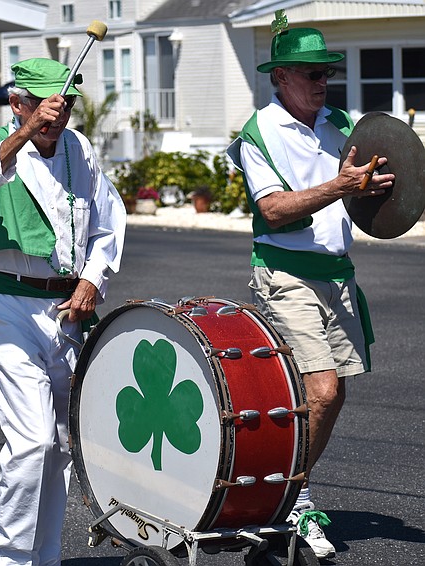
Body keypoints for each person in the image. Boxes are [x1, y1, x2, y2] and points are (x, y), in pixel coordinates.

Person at [228, 19, 394, 560]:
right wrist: (339, 185)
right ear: (280, 77)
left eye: (327, 72)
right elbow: (272, 211)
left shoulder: (340, 123)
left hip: (338, 276)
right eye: (311, 73)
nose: (323, 81)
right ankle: (292, 500)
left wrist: (375, 188)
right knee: (320, 391)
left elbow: (360, 196)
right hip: (285, 275)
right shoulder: (259, 132)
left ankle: (282, 493)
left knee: (329, 394)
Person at [0, 58, 126, 566]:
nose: (58, 115)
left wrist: (94, 278)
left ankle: (44, 558)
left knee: (59, 444)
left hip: (66, 308)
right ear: (17, 104)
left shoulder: (80, 149)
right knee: (31, 441)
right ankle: (10, 559)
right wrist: (25, 133)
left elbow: (107, 222)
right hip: (7, 304)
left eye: (66, 105)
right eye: (46, 106)